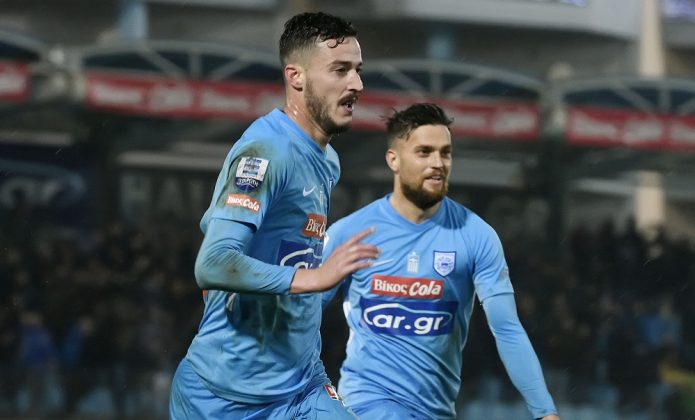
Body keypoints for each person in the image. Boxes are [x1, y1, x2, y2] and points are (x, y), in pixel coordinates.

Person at [169, 12, 379, 419]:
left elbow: (277, 243)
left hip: (302, 386)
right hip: (223, 398)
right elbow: (213, 263)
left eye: (358, 71)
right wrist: (314, 279)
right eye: (340, 70)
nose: (357, 84)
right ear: (296, 77)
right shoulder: (267, 152)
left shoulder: (327, 161)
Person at [322, 103, 560, 420]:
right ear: (393, 160)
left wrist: (545, 411)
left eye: (445, 153)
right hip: (364, 406)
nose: (438, 163)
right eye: (424, 152)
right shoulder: (350, 233)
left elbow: (506, 329)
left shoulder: (476, 236)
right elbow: (299, 315)